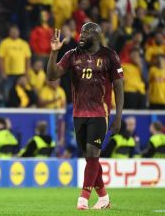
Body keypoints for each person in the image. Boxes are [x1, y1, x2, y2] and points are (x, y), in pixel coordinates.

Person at [47, 22, 124, 210]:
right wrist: (54, 52)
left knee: (92, 153)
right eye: (81, 32)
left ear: (96, 36)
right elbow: (51, 76)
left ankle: (83, 198)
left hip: (100, 112)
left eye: (86, 33)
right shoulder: (72, 55)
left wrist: (119, 117)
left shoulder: (109, 55)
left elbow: (119, 88)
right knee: (91, 158)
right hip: (78, 113)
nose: (81, 35)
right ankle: (104, 198)